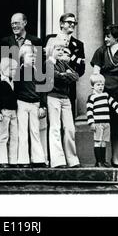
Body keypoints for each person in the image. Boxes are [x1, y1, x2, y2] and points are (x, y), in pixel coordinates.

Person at [90, 25, 118, 167]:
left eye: (109, 36)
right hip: (103, 93)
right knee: (102, 125)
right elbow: (96, 73)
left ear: (117, 38)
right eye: (105, 36)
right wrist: (96, 93)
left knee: (116, 126)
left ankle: (115, 158)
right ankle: (101, 160)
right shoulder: (101, 51)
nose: (105, 39)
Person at [46, 40, 80, 168]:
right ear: (51, 50)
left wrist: (64, 74)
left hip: (65, 98)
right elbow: (54, 76)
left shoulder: (63, 63)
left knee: (69, 128)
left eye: (62, 50)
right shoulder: (48, 63)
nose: (61, 52)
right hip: (53, 97)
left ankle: (72, 160)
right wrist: (66, 75)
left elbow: (76, 76)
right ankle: (58, 160)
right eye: (58, 49)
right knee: (55, 128)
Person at [45, 13, 85, 118]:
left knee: (69, 124)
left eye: (74, 22)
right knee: (54, 123)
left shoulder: (78, 44)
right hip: (51, 88)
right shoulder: (49, 39)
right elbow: (42, 62)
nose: (72, 24)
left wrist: (68, 76)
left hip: (68, 88)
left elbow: (81, 68)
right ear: (61, 24)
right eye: (69, 22)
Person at [14, 44, 47, 168]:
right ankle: (23, 160)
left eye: (34, 56)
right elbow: (16, 90)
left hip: (35, 104)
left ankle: (38, 159)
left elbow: (42, 90)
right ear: (22, 57)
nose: (33, 58)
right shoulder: (19, 71)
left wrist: (42, 106)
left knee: (35, 131)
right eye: (29, 55)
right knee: (22, 132)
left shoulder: (37, 71)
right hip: (22, 103)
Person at [86, 74, 118, 167]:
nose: (100, 87)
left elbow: (114, 103)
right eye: (98, 85)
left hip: (106, 123)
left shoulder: (106, 95)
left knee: (103, 142)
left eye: (102, 85)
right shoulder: (91, 97)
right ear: (92, 86)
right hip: (98, 123)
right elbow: (89, 111)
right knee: (98, 141)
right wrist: (91, 122)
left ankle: (103, 161)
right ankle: (98, 161)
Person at [0, 58, 19, 168]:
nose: (14, 71)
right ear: (4, 69)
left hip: (13, 112)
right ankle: (2, 160)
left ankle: (13, 160)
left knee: (14, 135)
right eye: (12, 69)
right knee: (3, 136)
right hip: (4, 112)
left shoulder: (14, 82)